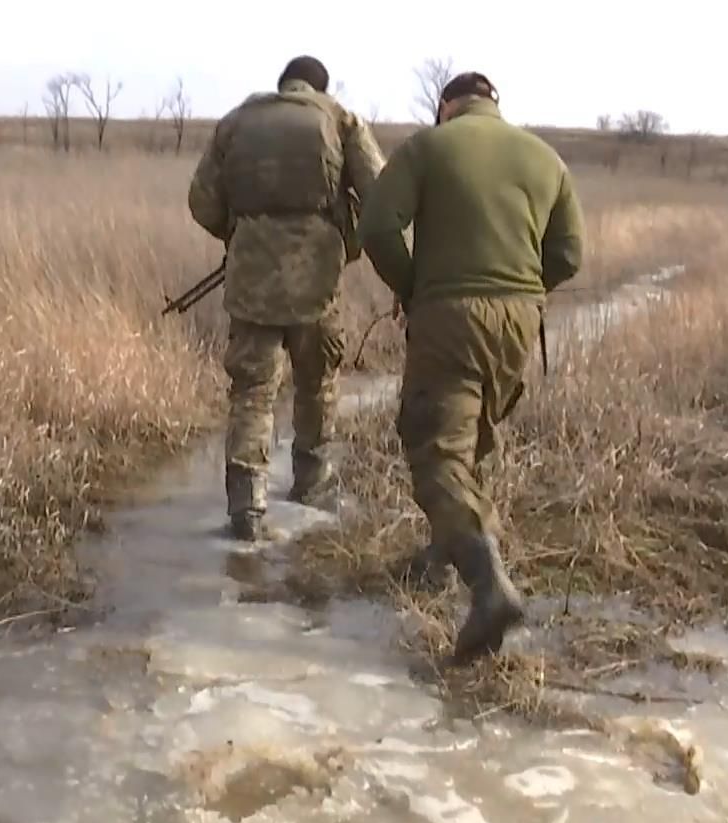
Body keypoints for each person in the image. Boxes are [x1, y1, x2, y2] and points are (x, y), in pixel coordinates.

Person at [357, 71, 585, 661]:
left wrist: (415, 291)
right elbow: (568, 255)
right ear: (493, 105)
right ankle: (443, 553)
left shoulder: (428, 147)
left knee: (437, 451)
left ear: (446, 105)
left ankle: (489, 586)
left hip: (450, 315)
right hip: (519, 320)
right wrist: (524, 292)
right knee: (474, 435)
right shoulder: (545, 158)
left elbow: (378, 226)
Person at [188, 55, 386, 541]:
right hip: (318, 279)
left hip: (252, 280)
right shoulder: (340, 119)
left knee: (253, 390)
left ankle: (247, 503)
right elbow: (382, 193)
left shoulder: (236, 122)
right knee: (317, 381)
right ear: (320, 88)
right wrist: (348, 243)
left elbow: (202, 201)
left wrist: (241, 236)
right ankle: (311, 485)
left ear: (283, 85)